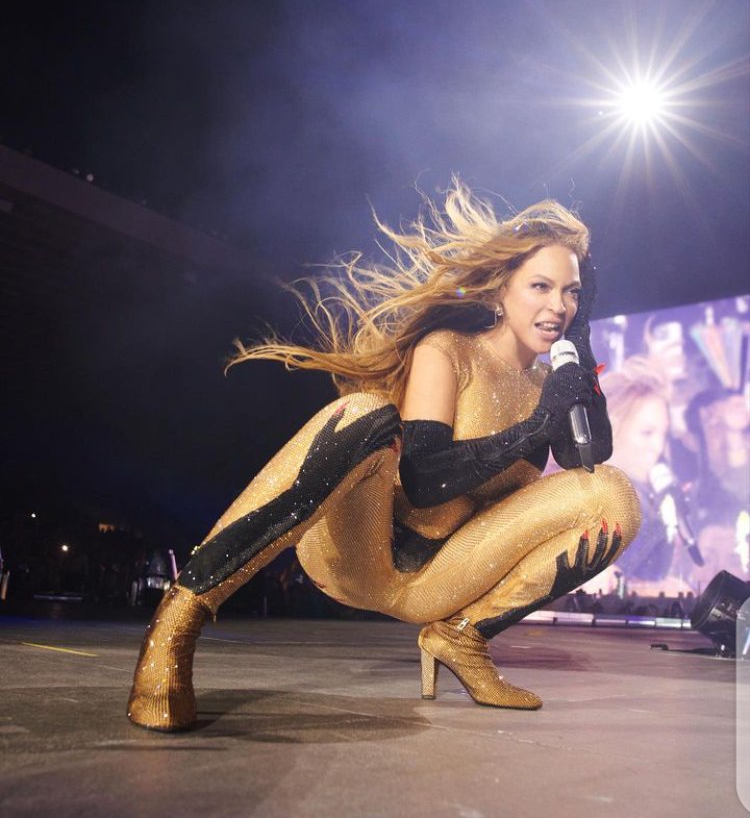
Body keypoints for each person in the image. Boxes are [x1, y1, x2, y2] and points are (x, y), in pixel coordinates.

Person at [127, 181, 641, 732]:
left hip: (441, 580)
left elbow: (591, 454)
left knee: (612, 494)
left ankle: (463, 638)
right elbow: (424, 479)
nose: (558, 306)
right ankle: (180, 616)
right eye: (541, 286)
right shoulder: (448, 350)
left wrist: (579, 346)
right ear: (500, 290)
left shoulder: (549, 384)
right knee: (364, 413)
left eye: (572, 293)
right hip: (365, 553)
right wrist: (537, 424)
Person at [598, 357, 690, 594]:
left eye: (663, 434)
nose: (657, 447)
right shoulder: (581, 496)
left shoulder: (648, 497)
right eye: (647, 433)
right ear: (611, 428)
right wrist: (650, 591)